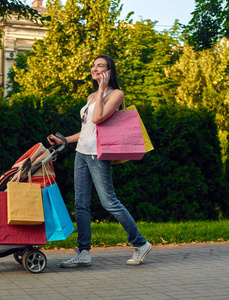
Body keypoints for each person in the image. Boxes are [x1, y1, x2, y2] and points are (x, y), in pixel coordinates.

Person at [48, 54, 151, 268]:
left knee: (109, 201)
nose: (95, 69)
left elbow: (97, 119)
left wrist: (103, 90)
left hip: (97, 153)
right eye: (94, 65)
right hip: (81, 152)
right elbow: (87, 128)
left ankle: (140, 243)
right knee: (80, 204)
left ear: (109, 71)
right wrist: (65, 140)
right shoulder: (91, 95)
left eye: (101, 66)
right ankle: (83, 251)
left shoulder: (116, 94)